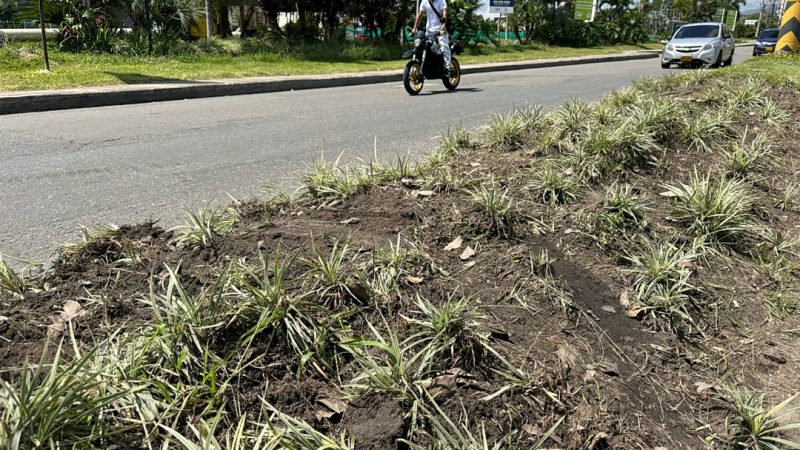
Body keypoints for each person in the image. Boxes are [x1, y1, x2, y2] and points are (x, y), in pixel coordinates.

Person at [412, 0, 452, 75]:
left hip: (440, 30)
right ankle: (426, 67)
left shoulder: (441, 1)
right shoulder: (424, 2)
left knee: (444, 47)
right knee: (423, 47)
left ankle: (448, 67)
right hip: (429, 31)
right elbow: (419, 16)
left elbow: (445, 14)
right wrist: (414, 29)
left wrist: (443, 26)